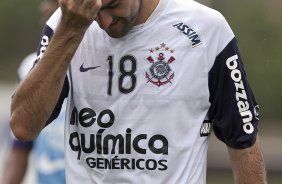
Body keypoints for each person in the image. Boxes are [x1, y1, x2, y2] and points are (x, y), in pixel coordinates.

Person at [10, 0, 267, 183]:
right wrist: (69, 31)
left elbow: (243, 144)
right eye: (95, 11)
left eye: (112, 6)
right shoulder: (68, 23)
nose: (104, 22)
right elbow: (23, 127)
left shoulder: (206, 28)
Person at [2, 1, 66, 184]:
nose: (44, 7)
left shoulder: (97, 58)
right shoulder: (28, 68)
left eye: (55, 1)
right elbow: (19, 150)